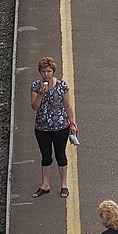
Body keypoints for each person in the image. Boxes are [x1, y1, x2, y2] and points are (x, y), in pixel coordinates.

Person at [30, 56, 77, 198]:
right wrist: (40, 94)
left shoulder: (62, 86)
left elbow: (68, 106)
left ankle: (64, 185)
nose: (46, 74)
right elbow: (34, 107)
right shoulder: (36, 86)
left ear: (53, 72)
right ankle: (45, 184)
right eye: (44, 71)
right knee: (45, 156)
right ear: (40, 72)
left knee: (60, 155)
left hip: (60, 126)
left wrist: (73, 123)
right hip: (42, 127)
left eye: (49, 71)